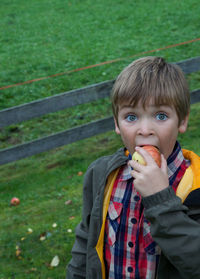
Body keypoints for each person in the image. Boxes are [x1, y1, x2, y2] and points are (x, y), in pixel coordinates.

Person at [66, 56, 200, 279]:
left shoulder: (194, 185)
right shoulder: (101, 174)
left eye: (160, 115)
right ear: (117, 124)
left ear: (182, 121)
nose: (144, 129)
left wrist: (160, 199)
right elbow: (85, 243)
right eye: (131, 117)